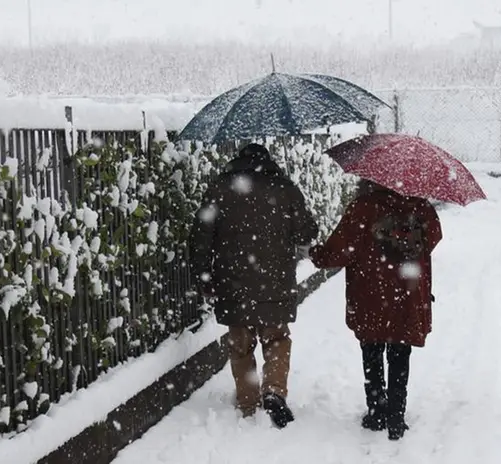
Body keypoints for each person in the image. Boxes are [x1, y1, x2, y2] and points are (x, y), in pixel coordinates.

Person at [189, 143, 318, 428]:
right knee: (277, 338)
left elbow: (201, 236)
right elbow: (306, 233)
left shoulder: (219, 189)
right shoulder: (285, 189)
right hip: (275, 279)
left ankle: (248, 401)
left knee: (240, 343)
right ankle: (273, 390)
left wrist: (202, 275)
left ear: (238, 161)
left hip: (232, 280)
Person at [309, 179, 442, 441]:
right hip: (407, 293)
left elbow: (338, 251)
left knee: (371, 350)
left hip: (370, 293)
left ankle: (376, 410)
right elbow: (434, 237)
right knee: (400, 352)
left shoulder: (363, 208)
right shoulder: (421, 208)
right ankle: (396, 415)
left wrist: (317, 254)